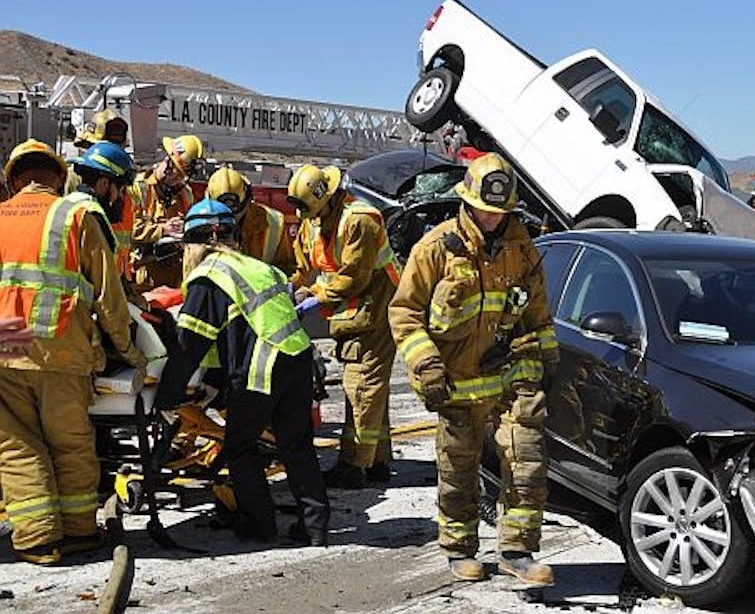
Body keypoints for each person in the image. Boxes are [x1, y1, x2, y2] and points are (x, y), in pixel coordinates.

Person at [388, 152, 559, 586]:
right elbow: (404, 313)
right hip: (458, 381)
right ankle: (460, 548)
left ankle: (518, 552)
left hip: (512, 376)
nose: (491, 218)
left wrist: (548, 361)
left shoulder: (523, 250)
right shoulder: (436, 249)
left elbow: (538, 314)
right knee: (458, 468)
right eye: (484, 210)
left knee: (527, 460)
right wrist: (426, 365)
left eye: (499, 212)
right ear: (466, 201)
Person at [0, 139, 145, 565]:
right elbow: (109, 297)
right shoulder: (75, 215)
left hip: (5, 348)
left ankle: (38, 540)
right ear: (59, 177)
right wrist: (129, 352)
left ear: (13, 179)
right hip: (62, 350)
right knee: (71, 443)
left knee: (18, 447)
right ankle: (81, 531)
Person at [154, 198, 329, 546]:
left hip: (262, 367)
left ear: (194, 244)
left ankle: (259, 524)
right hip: (298, 359)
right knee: (296, 445)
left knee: (239, 446)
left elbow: (190, 345)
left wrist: (167, 395)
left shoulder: (208, 277)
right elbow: (235, 330)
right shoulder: (260, 268)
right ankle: (315, 527)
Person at [288, 164, 399, 488]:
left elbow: (354, 276)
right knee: (371, 389)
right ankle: (376, 461)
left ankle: (354, 465)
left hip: (378, 305)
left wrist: (315, 297)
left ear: (330, 197)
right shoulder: (312, 218)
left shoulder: (360, 219)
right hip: (352, 309)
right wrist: (292, 289)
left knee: (361, 385)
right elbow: (304, 265)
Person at [129, 135, 201, 290]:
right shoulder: (139, 189)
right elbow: (129, 229)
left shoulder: (185, 194)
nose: (177, 179)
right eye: (176, 171)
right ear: (167, 161)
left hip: (174, 277)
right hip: (143, 277)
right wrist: (163, 230)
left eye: (182, 175)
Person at [205, 165, 295, 274]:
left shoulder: (274, 223)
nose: (231, 222)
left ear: (248, 201)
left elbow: (286, 270)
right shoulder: (199, 224)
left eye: (235, 215)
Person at [65, 141, 136, 276]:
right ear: (104, 183)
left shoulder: (65, 206)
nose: (120, 197)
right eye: (120, 189)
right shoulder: (94, 217)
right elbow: (103, 279)